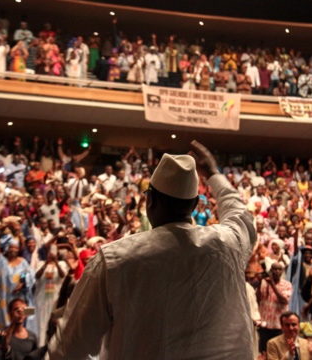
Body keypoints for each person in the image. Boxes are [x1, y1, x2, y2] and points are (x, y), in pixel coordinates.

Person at [48, 141, 256, 359]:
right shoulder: (228, 244)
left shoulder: (114, 259)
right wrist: (214, 173)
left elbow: (68, 349)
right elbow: (240, 213)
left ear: (151, 200)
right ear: (195, 205)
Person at [257, 262, 292, 353]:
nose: (277, 271)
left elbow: (284, 300)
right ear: (271, 271)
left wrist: (272, 284)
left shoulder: (287, 284)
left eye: (279, 269)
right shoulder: (264, 283)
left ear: (282, 271)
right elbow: (258, 299)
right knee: (263, 352)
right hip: (265, 324)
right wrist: (260, 282)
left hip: (278, 325)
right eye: (275, 269)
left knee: (278, 351)